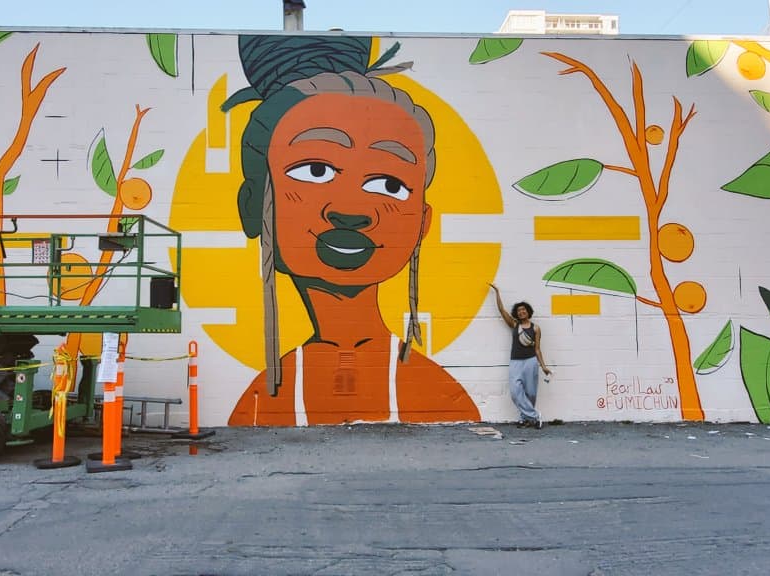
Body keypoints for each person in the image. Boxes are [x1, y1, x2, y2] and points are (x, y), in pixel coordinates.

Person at [225, 36, 479, 426]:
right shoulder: (258, 401)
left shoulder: (441, 395)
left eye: (389, 184)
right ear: (251, 207)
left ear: (421, 223)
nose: (350, 210)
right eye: (315, 171)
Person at [490, 284, 551, 428]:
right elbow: (501, 310)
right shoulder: (514, 324)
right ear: (516, 314)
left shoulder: (536, 328)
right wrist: (497, 292)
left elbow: (537, 349)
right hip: (516, 362)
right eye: (519, 310)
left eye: (524, 309)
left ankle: (525, 419)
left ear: (528, 312)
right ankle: (535, 416)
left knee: (530, 393)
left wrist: (543, 366)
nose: (521, 312)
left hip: (531, 362)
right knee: (515, 392)